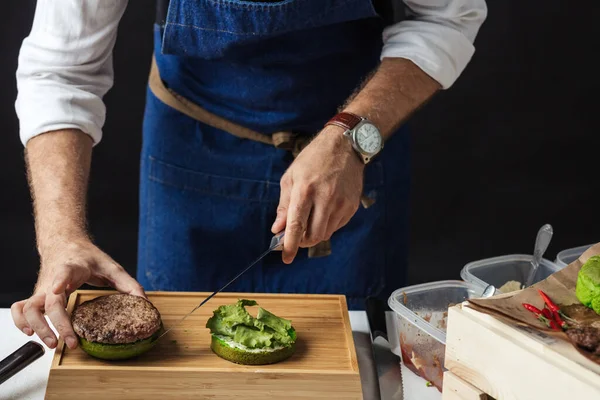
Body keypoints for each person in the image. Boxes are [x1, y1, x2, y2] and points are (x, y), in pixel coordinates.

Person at [11, 0, 486, 350]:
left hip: (357, 146)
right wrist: (60, 237)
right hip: (192, 153)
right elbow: (60, 69)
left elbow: (448, 15)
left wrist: (349, 137)